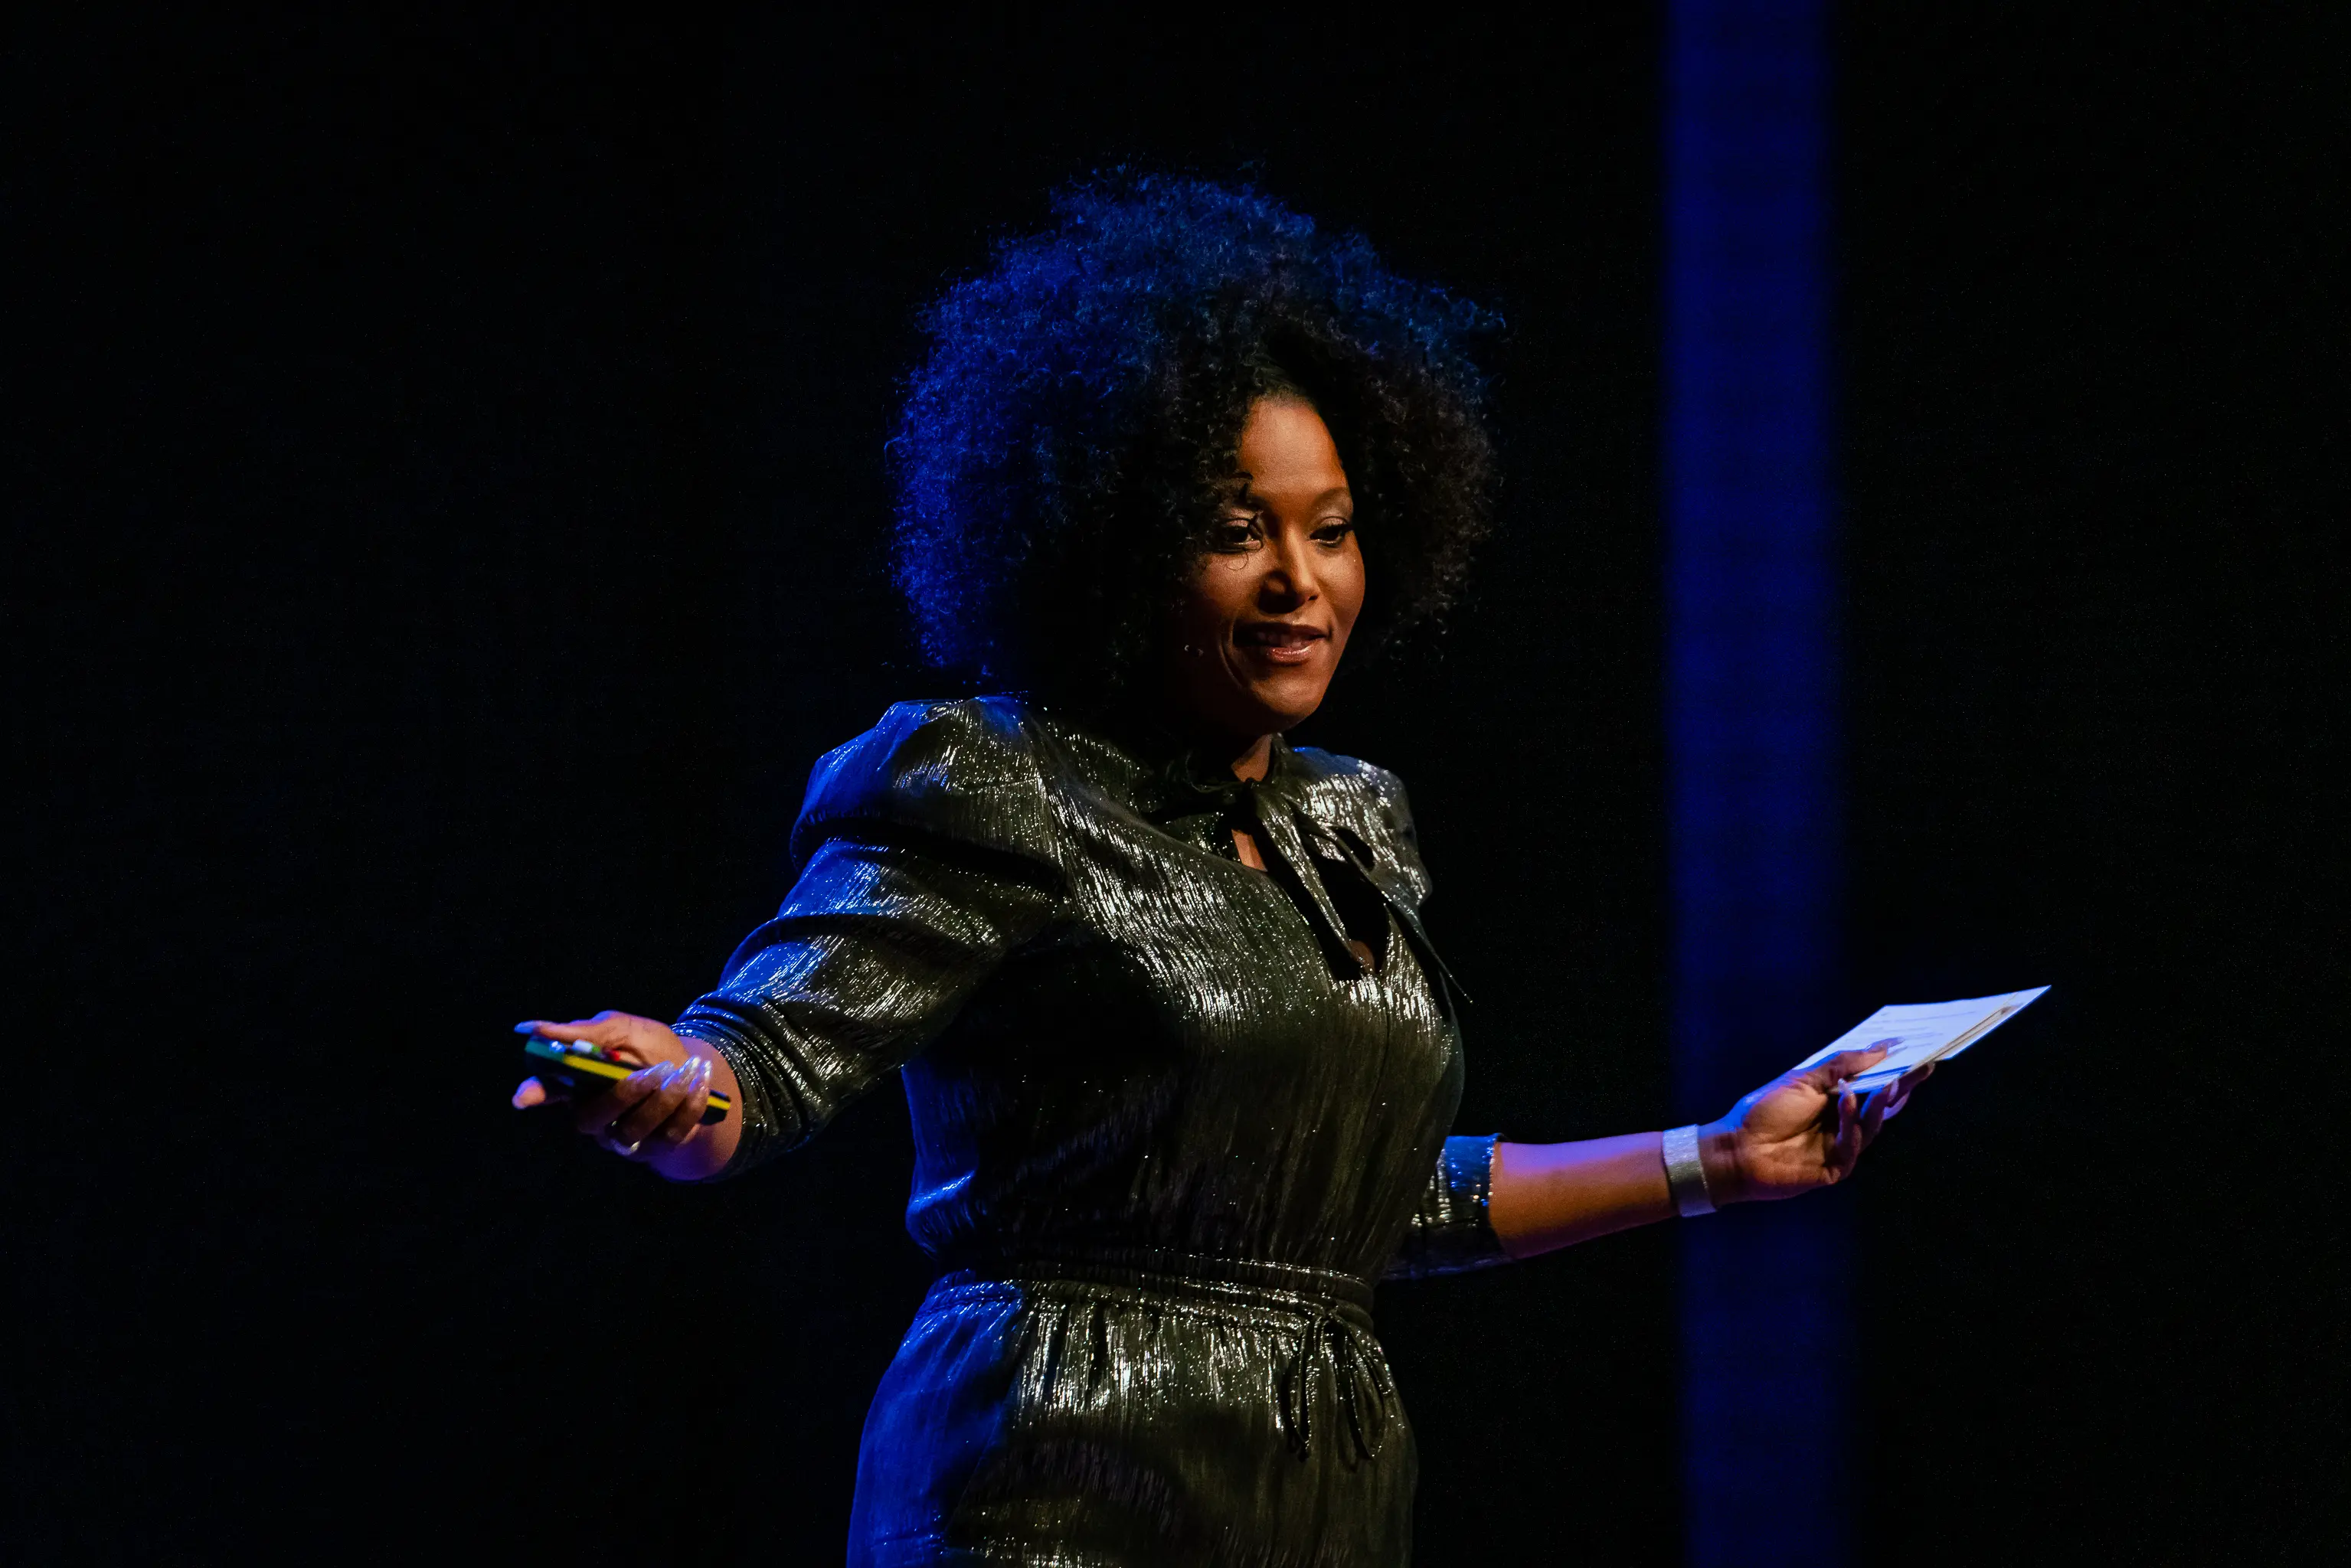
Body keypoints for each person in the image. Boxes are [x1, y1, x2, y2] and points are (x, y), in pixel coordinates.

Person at [512, 177, 1927, 1566]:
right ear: (1113, 548)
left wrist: (1716, 1160)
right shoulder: (996, 779)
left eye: (1332, 530)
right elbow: (766, 1061)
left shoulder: (1353, 820)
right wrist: (671, 1083)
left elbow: (1354, 1197)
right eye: (1236, 530)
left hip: (1323, 1484)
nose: (1299, 580)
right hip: (1050, 1471)